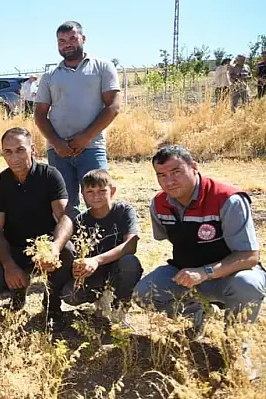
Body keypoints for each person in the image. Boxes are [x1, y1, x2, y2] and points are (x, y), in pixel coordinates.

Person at [134, 146, 265, 378]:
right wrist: (193, 272)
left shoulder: (228, 200)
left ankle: (236, 350)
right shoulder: (158, 204)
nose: (169, 181)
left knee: (249, 285)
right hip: (187, 273)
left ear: (194, 167)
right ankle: (198, 313)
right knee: (144, 293)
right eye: (161, 175)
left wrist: (205, 272)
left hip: (230, 275)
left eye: (176, 171)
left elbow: (249, 256)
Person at [0, 127, 74, 330]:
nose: (14, 157)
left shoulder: (50, 175)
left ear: (33, 149)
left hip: (45, 247)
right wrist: (8, 265)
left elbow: (65, 217)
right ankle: (18, 291)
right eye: (8, 151)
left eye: (20, 150)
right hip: (15, 248)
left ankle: (52, 303)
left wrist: (55, 247)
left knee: (68, 252)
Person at [34, 21, 121, 218]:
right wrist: (56, 143)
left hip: (92, 147)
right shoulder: (50, 75)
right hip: (58, 151)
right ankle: (71, 247)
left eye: (72, 38)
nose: (67, 44)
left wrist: (86, 137)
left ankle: (101, 245)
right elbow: (40, 114)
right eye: (61, 41)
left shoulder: (102, 67)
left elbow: (113, 106)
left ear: (83, 38)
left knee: (98, 199)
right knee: (64, 204)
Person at [61, 169, 143, 324]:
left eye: (102, 190)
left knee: (130, 262)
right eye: (90, 191)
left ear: (112, 191)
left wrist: (96, 260)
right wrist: (78, 267)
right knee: (69, 295)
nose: (96, 196)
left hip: (118, 268)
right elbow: (78, 253)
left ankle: (120, 309)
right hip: (95, 274)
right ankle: (100, 299)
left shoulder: (124, 211)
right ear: (83, 195)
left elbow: (131, 245)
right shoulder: (81, 220)